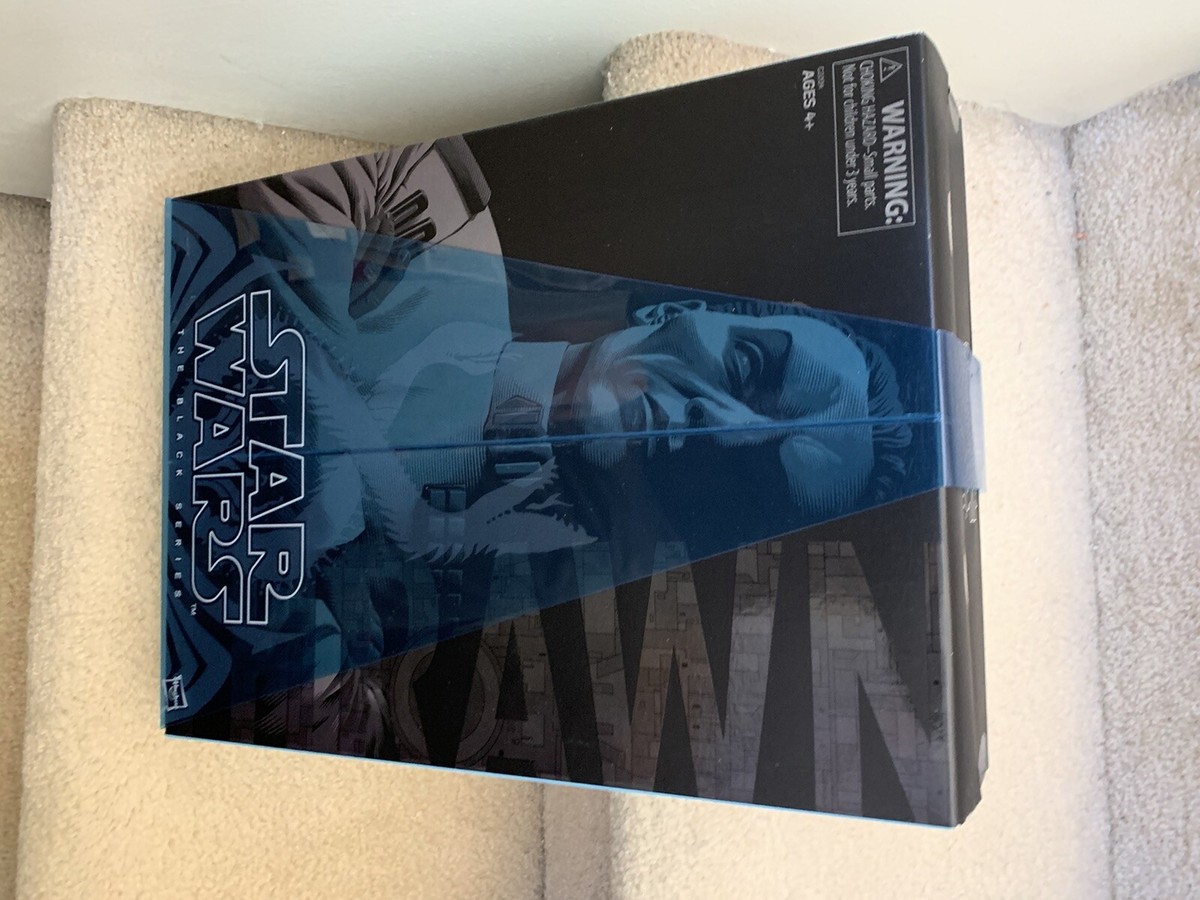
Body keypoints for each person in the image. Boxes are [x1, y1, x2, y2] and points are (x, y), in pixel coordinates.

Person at [171, 144, 911, 765]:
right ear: (682, 309)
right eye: (748, 367)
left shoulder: (457, 694)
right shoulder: (433, 220)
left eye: (751, 482)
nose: (720, 427)